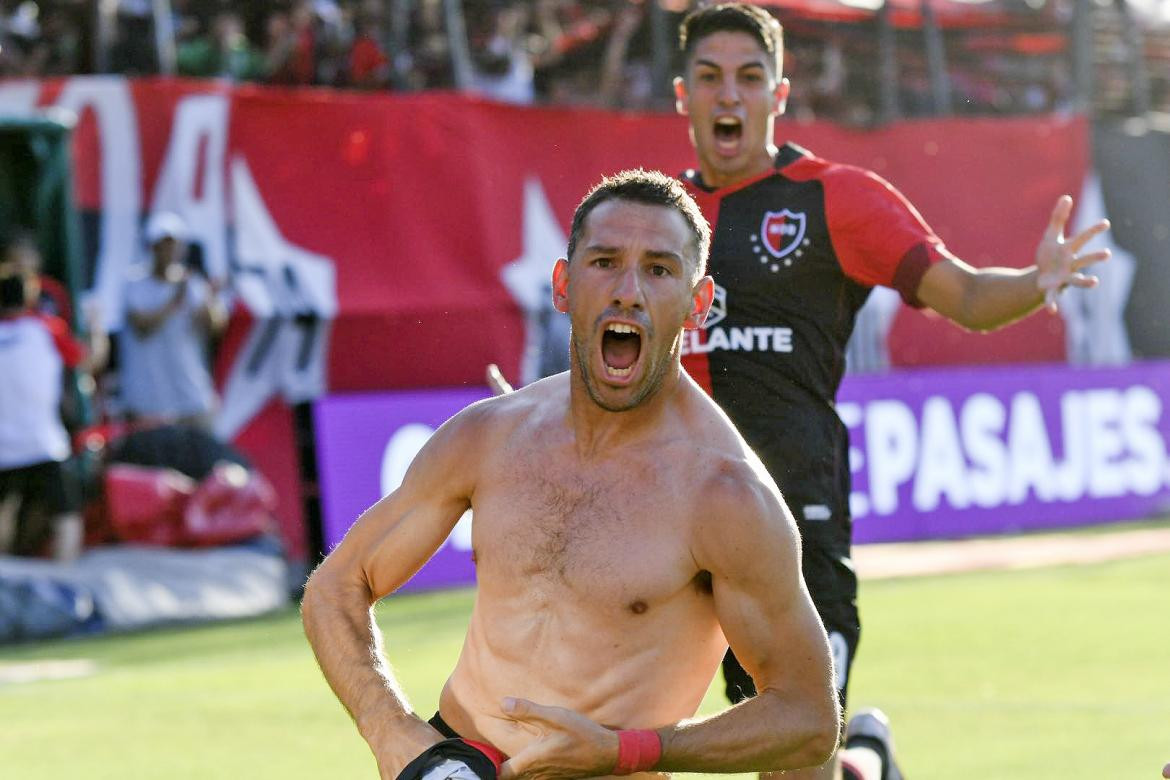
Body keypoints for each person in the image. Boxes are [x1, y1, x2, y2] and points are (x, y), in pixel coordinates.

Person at [670, 5, 1112, 780]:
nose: (728, 96)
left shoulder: (836, 198)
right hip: (668, 516)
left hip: (792, 508)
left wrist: (1036, 283)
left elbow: (968, 298)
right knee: (621, 740)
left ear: (779, 94)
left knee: (794, 752)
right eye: (709, 78)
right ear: (683, 96)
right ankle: (863, 756)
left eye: (749, 78)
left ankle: (863, 757)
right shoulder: (654, 218)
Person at [302, 170, 840, 780]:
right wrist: (393, 732)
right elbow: (335, 589)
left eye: (660, 269)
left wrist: (629, 750)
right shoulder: (491, 435)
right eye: (605, 262)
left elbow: (809, 719)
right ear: (563, 285)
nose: (628, 291)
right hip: (458, 763)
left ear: (698, 305)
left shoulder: (725, 495)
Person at [0, 233, 105, 561]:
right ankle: (67, 586)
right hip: (44, 443)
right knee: (67, 517)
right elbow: (88, 360)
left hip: (6, 445)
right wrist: (98, 328)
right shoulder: (47, 328)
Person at [118, 212, 227, 431]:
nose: (169, 251)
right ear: (152, 247)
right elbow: (142, 327)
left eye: (174, 245)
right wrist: (175, 299)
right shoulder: (134, 284)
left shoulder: (194, 285)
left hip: (191, 398)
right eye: (163, 245)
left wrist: (210, 299)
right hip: (147, 403)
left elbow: (214, 327)